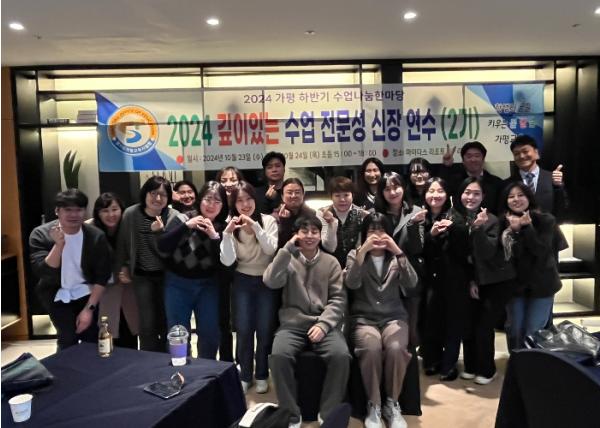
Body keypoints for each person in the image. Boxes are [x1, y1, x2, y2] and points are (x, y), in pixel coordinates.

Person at [264, 215, 350, 427]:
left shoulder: (331, 262)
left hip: (324, 324)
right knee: (278, 356)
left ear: (321, 235)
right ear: (296, 235)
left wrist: (324, 324)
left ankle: (328, 412)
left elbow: (338, 299)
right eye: (304, 231)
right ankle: (291, 414)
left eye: (314, 231)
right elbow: (270, 281)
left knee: (341, 355)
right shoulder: (287, 258)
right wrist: (286, 249)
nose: (309, 236)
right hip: (292, 325)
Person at [344, 213, 418, 428]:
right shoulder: (355, 254)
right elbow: (351, 283)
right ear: (364, 234)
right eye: (372, 230)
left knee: (396, 348)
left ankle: (392, 403)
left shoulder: (395, 256)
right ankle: (373, 404)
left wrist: (398, 252)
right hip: (364, 318)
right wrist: (362, 252)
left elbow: (411, 283)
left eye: (382, 230)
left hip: (393, 318)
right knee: (371, 348)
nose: (377, 235)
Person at [29, 189, 111, 351]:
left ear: (85, 211)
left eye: (79, 210)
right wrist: (59, 245)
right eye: (68, 210)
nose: (74, 215)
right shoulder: (41, 234)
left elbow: (102, 277)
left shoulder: (95, 236)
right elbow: (43, 272)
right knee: (68, 337)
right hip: (56, 294)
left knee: (92, 339)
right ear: (57, 211)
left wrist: (89, 309)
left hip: (87, 293)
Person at [453, 178, 516, 385]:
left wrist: (479, 228)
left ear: (483, 197)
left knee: (483, 326)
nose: (470, 197)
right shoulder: (458, 219)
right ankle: (471, 366)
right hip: (476, 281)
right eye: (467, 192)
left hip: (497, 281)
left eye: (476, 193)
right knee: (469, 324)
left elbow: (486, 252)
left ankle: (488, 370)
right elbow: (464, 257)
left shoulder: (491, 220)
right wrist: (472, 281)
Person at [158, 181, 229, 359]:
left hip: (208, 286)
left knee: (210, 334)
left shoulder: (224, 227)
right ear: (200, 200)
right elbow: (163, 245)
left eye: (217, 201)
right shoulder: (183, 218)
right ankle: (180, 369)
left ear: (223, 205)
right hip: (177, 283)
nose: (211, 205)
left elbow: (225, 264)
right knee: (178, 333)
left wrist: (214, 237)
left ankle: (205, 371)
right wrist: (186, 226)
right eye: (208, 199)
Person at [220, 181, 279, 393]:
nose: (245, 204)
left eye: (249, 199)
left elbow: (270, 249)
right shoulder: (230, 223)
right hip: (242, 280)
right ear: (233, 204)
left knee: (264, 329)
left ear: (256, 200)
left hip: (266, 280)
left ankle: (262, 373)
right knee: (244, 330)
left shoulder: (268, 220)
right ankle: (245, 374)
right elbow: (227, 260)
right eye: (240, 201)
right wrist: (227, 234)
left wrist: (255, 227)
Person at [498, 182, 567, 350]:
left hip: (542, 284)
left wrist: (526, 227)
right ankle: (517, 362)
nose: (516, 199)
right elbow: (509, 255)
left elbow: (540, 250)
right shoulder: (502, 222)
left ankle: (532, 364)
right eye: (511, 196)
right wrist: (514, 231)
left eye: (521, 195)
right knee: (515, 328)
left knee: (534, 331)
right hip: (515, 285)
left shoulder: (545, 219)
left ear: (529, 198)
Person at [116, 176, 178, 352]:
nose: (157, 198)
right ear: (145, 193)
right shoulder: (131, 214)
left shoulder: (173, 217)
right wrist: (123, 266)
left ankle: (168, 357)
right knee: (147, 322)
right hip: (142, 276)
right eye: (153, 193)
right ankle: (149, 359)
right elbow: (122, 244)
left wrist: (159, 233)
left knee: (167, 320)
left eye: (163, 195)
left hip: (167, 277)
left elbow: (170, 252)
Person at [419, 177, 470, 381]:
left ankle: (449, 365)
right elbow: (417, 249)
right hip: (428, 279)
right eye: (431, 191)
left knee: (452, 323)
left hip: (454, 280)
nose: (435, 195)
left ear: (448, 195)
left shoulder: (457, 217)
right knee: (430, 322)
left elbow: (464, 251)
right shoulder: (419, 217)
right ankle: (431, 361)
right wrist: (431, 235)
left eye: (440, 191)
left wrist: (455, 229)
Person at [374, 172, 427, 345]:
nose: (392, 192)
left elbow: (418, 248)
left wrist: (412, 225)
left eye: (396, 187)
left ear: (403, 188)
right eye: (387, 189)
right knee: (389, 332)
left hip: (409, 276)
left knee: (412, 330)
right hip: (383, 278)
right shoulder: (375, 214)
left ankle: (411, 361)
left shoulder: (416, 212)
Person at [89, 192, 139, 349]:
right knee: (105, 334)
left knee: (129, 332)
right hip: (101, 291)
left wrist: (128, 266)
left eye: (115, 209)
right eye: (105, 210)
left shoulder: (130, 227)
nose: (111, 215)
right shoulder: (90, 230)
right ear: (98, 213)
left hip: (128, 289)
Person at [215, 166, 245, 362]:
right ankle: (226, 362)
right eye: (224, 180)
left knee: (242, 320)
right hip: (220, 273)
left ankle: (243, 361)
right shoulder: (215, 208)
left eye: (233, 179)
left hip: (244, 270)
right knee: (222, 320)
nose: (228, 183)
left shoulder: (244, 206)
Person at [507, 134, 568, 219]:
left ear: (536, 153)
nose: (521, 156)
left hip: (548, 226)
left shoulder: (552, 178)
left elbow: (564, 206)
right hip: (520, 227)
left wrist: (558, 186)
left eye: (525, 151)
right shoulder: (507, 184)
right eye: (516, 153)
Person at [275, 177, 337, 252]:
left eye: (297, 192)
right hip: (285, 257)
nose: (293, 195)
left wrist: (330, 223)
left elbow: (327, 247)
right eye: (289, 192)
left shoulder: (315, 215)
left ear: (303, 194)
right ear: (282, 196)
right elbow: (276, 246)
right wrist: (284, 222)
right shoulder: (274, 217)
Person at [439, 141, 504, 213]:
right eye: (469, 156)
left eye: (477, 156)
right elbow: (442, 191)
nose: (473, 159)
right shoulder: (454, 181)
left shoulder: (497, 183)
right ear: (463, 161)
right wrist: (446, 167)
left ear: (483, 159)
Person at [319, 176, 368, 268]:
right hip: (328, 265)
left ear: (352, 195)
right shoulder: (322, 213)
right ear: (331, 197)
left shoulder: (361, 213)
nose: (342, 199)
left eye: (346, 195)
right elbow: (329, 247)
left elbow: (360, 246)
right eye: (337, 196)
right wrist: (331, 223)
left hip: (354, 265)